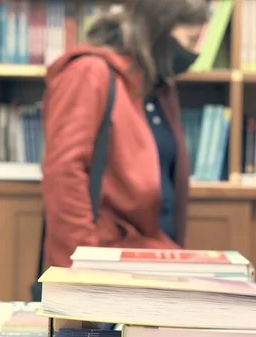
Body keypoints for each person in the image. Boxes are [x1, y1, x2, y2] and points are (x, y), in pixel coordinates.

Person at [41, 0, 209, 268]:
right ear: (159, 29)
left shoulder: (159, 88)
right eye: (190, 39)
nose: (194, 52)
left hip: (151, 259)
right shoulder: (89, 72)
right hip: (102, 264)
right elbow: (64, 174)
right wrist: (81, 266)